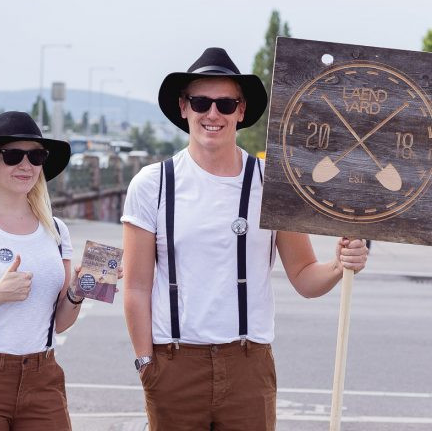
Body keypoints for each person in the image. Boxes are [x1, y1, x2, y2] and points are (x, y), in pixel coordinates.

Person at [122, 48, 368, 431]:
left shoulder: (272, 182)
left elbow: (304, 275)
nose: (212, 114)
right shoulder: (152, 184)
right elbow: (136, 288)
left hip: (248, 365)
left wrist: (340, 264)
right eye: (201, 102)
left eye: (225, 103)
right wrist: (145, 364)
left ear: (241, 110)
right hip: (173, 364)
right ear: (184, 107)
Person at [0, 111, 81, 431]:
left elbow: (59, 323)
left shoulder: (55, 230)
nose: (26, 165)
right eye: (13, 155)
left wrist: (78, 291)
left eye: (36, 156)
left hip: (43, 376)